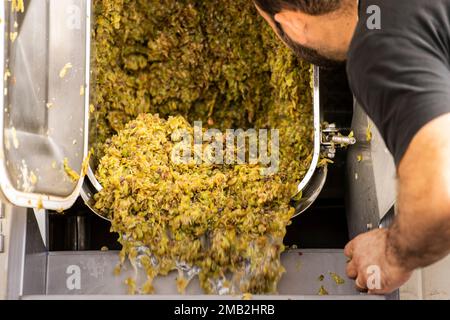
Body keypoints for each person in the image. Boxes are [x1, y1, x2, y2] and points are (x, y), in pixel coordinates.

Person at [254, 0, 450, 294]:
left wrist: (393, 254)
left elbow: (441, 187)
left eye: (272, 27)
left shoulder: (376, 50)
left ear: (294, 24)